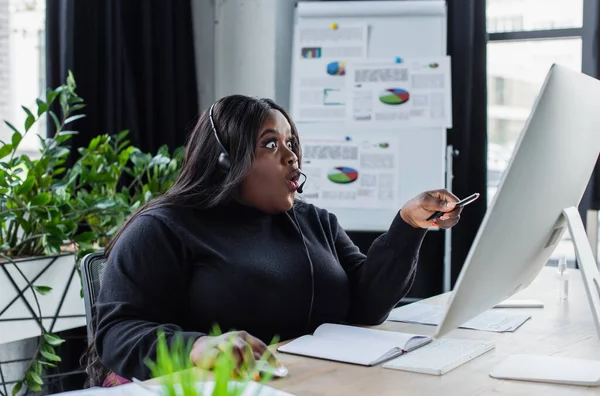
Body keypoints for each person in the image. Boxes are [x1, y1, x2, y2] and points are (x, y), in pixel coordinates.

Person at [91, 94, 462, 384]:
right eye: (270, 144)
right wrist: (198, 346)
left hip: (308, 383)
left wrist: (407, 226)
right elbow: (117, 332)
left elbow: (368, 306)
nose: (291, 156)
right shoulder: (164, 228)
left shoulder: (314, 221)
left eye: (291, 142)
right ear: (225, 159)